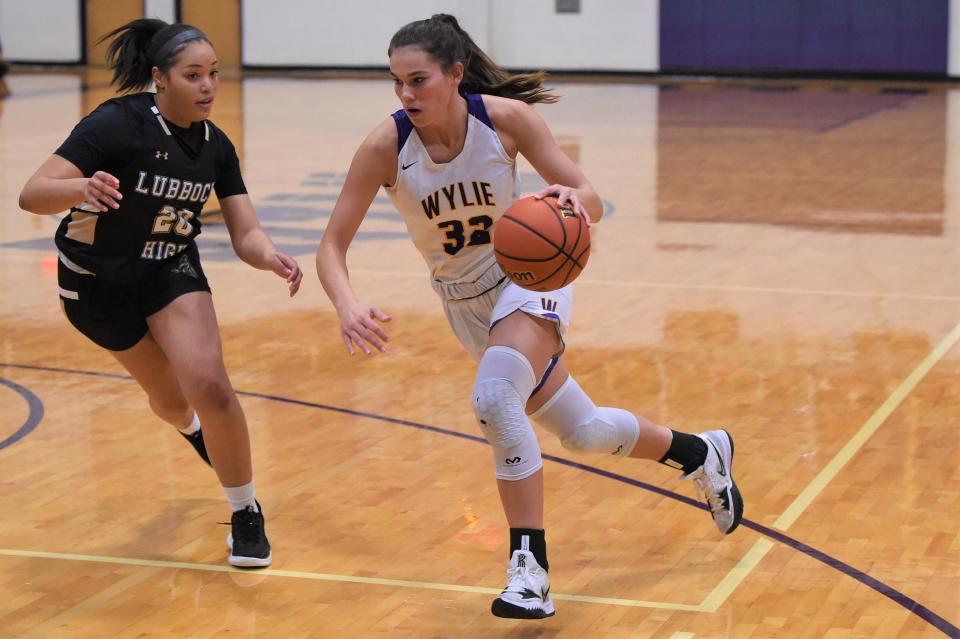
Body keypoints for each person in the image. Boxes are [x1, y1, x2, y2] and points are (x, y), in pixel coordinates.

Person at [316, 14, 743, 619]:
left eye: (418, 80)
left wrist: (571, 201)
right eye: (397, 83)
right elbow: (331, 245)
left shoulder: (503, 121)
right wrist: (347, 302)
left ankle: (530, 570)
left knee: (494, 398)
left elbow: (588, 198)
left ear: (455, 75)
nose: (406, 95)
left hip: (529, 279)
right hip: (464, 305)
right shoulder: (385, 147)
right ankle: (702, 453)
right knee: (585, 431)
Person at [18, 19, 302, 568]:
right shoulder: (116, 123)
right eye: (192, 75)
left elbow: (244, 231)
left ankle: (245, 512)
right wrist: (81, 186)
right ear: (159, 78)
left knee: (211, 385)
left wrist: (268, 254)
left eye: (214, 75)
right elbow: (33, 195)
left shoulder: (216, 146)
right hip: (94, 284)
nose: (207, 87)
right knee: (172, 402)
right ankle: (196, 433)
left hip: (168, 268)